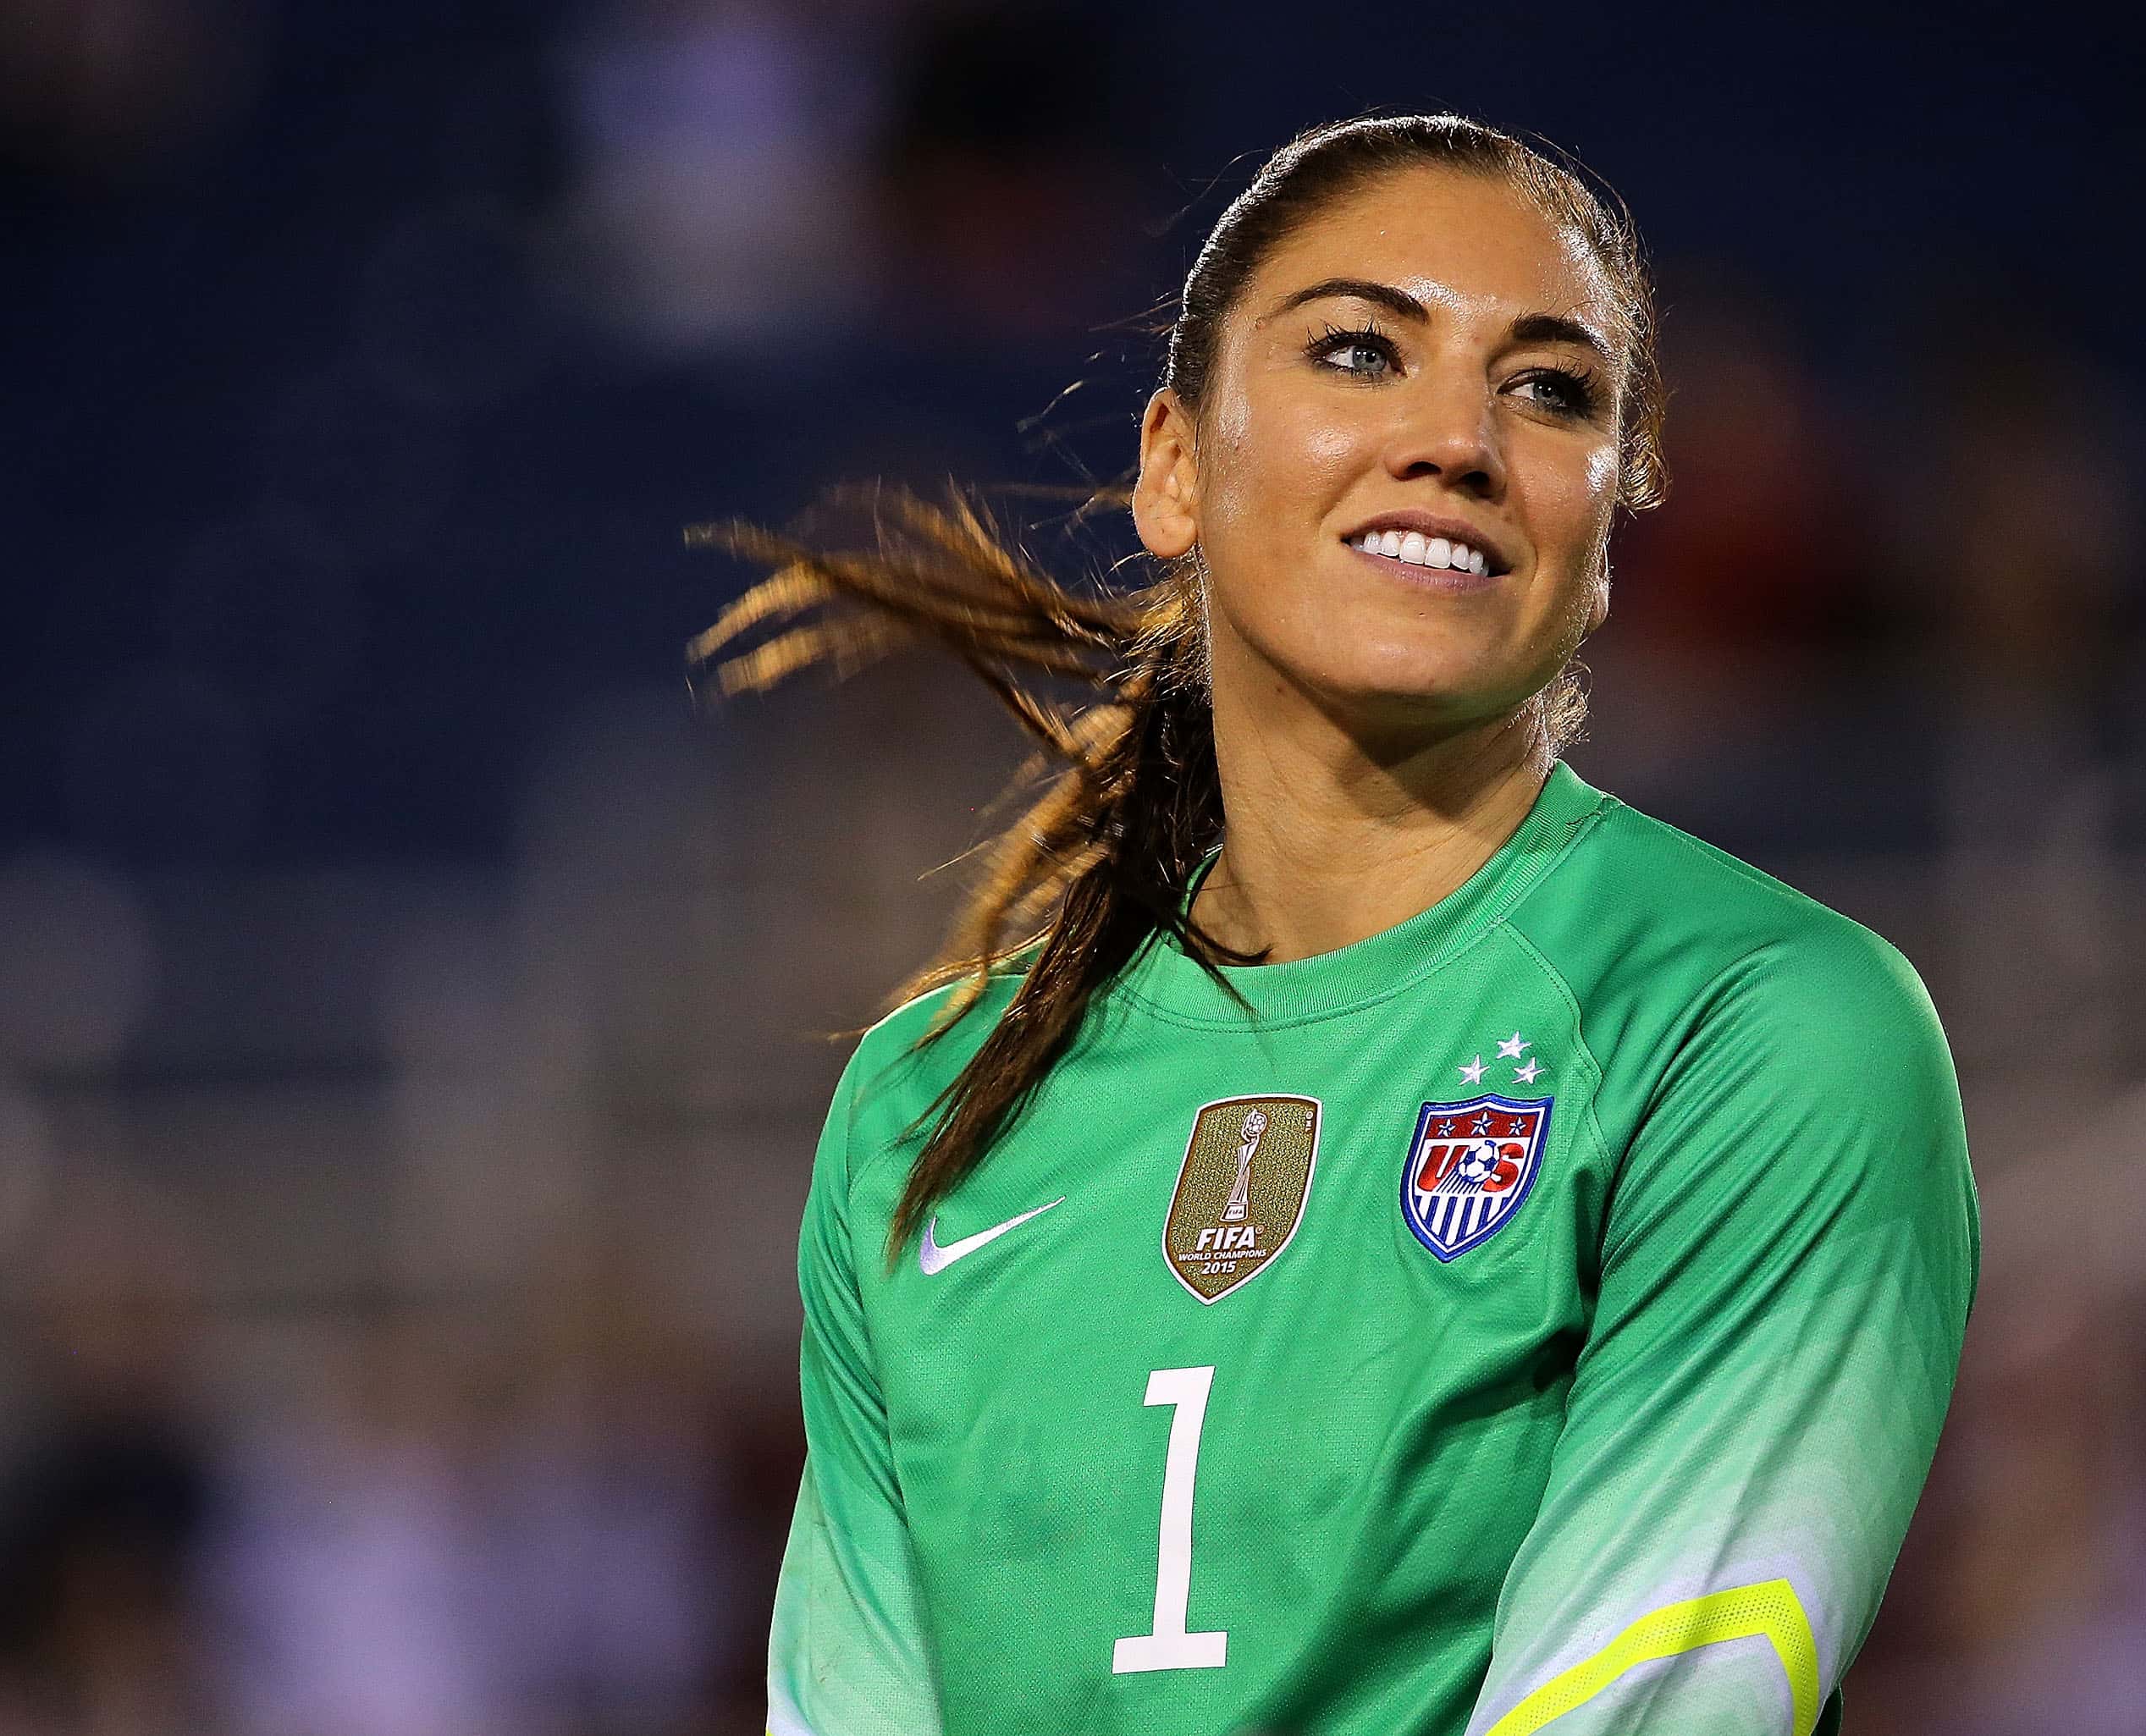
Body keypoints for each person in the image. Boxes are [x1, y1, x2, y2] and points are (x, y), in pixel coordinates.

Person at [693, 113, 1978, 1736]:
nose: (1457, 437)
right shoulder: (921, 1111)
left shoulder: (1757, 1029)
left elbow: (1653, 1705)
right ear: (1175, 464)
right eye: (1363, 351)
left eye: (1551, 388)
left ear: (1609, 519)